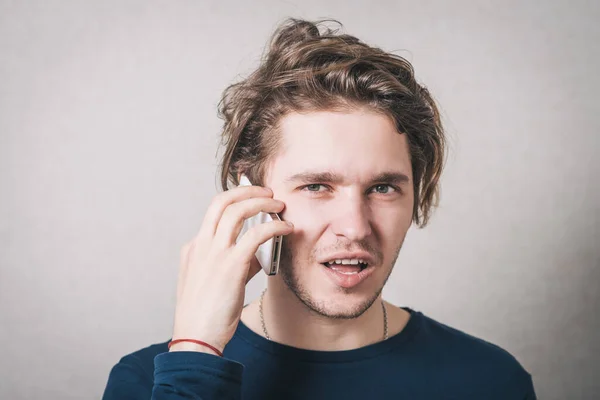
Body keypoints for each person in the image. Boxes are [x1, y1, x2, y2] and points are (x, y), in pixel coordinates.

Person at [102, 18, 537, 400]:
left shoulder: (489, 381)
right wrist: (196, 355)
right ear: (250, 196)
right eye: (316, 186)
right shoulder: (150, 383)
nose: (355, 227)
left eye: (383, 187)